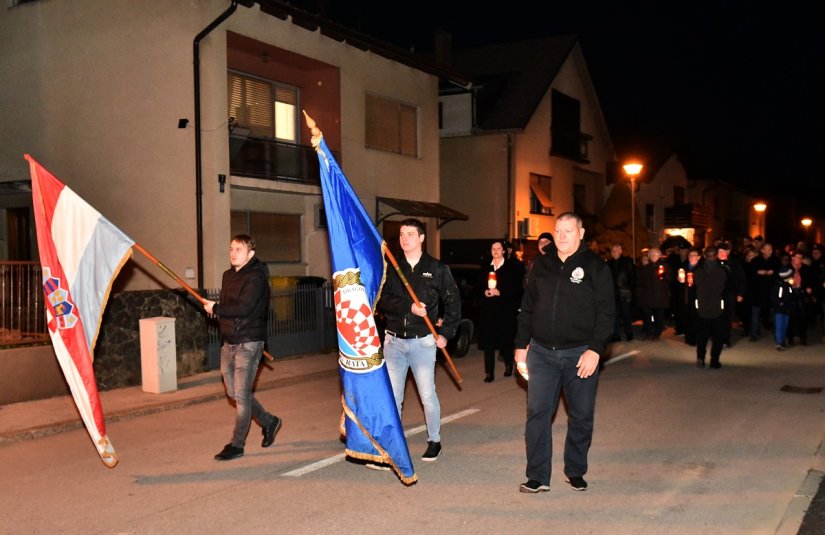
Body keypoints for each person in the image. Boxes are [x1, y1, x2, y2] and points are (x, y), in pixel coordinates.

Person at [513, 212, 615, 493]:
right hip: (542, 354)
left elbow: (607, 314)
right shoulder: (541, 265)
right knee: (537, 414)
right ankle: (537, 476)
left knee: (581, 415)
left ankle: (575, 469)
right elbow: (528, 307)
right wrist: (521, 346)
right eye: (558, 230)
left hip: (579, 354)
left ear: (580, 233)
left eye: (568, 230)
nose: (562, 236)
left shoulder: (596, 267)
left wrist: (595, 349)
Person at [377, 218, 460, 462]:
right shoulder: (393, 266)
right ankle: (393, 442)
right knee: (393, 396)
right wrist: (408, 307)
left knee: (427, 394)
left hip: (422, 342)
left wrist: (446, 333)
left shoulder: (437, 269)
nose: (405, 239)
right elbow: (384, 302)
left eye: (410, 234)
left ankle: (434, 440)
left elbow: (453, 302)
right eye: (402, 234)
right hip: (393, 342)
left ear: (422, 238)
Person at [203, 234, 282, 461]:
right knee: (233, 393)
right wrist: (216, 310)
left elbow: (244, 307)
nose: (233, 252)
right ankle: (269, 421)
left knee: (242, 395)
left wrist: (217, 308)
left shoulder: (257, 277)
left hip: (249, 342)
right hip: (229, 342)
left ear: (250, 254)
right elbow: (228, 306)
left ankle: (237, 444)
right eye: (231, 248)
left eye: (239, 249)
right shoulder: (228, 276)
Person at [477, 240, 524, 382]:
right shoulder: (486, 267)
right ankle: (489, 372)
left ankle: (509, 364)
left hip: (505, 310)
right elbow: (478, 286)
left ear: (504, 251)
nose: (496, 250)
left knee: (506, 341)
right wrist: (484, 292)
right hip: (488, 310)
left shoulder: (511, 267)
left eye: (499, 248)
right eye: (493, 248)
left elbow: (516, 289)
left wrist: (500, 292)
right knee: (489, 343)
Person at [693, 246, 728, 369]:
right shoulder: (722, 270)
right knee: (718, 336)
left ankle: (700, 358)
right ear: (716, 256)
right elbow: (725, 288)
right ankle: (714, 361)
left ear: (704, 255)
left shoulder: (698, 270)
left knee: (702, 335)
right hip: (717, 307)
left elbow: (693, 287)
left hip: (702, 306)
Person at [635, 247, 672, 341]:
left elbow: (671, 279)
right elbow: (640, 281)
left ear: (659, 255)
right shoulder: (646, 267)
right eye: (651, 254)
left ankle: (656, 334)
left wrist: (664, 275)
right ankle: (648, 333)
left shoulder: (664, 266)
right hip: (648, 296)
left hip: (660, 296)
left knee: (658, 316)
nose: (653, 256)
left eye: (655, 254)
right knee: (647, 316)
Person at [606, 243, 635, 342]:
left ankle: (629, 333)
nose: (613, 253)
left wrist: (629, 290)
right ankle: (616, 335)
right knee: (615, 315)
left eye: (615, 250)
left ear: (620, 251)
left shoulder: (627, 261)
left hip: (624, 293)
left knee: (626, 314)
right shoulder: (608, 263)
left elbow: (632, 277)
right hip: (613, 293)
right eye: (612, 251)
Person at [771, 266, 796, 350]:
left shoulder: (789, 285)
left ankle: (782, 341)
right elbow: (773, 296)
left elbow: (791, 295)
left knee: (785, 325)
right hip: (779, 308)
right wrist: (779, 302)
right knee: (779, 326)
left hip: (787, 308)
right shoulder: (779, 285)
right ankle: (779, 342)